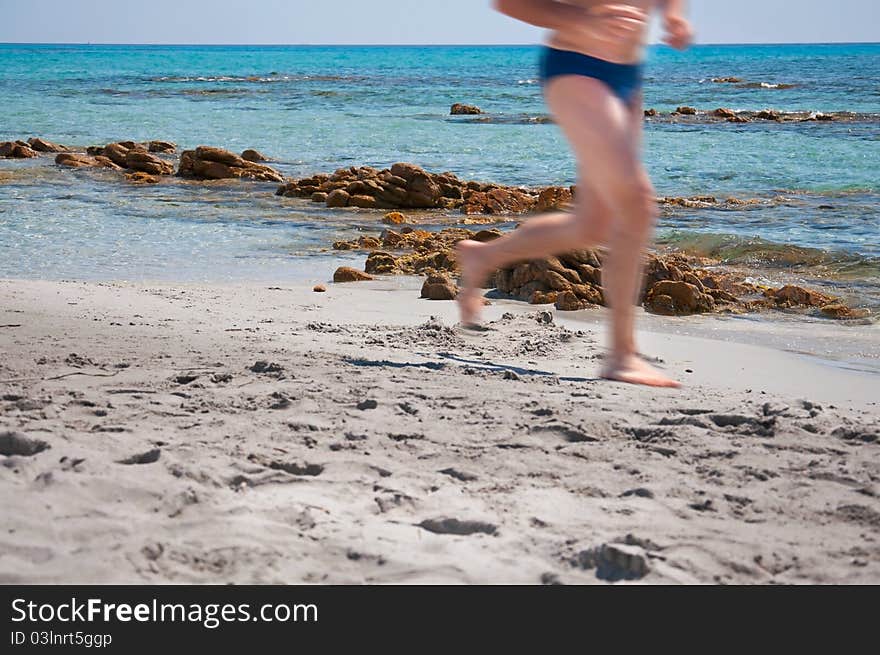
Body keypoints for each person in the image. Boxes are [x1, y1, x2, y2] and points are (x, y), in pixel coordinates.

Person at [456, 1, 693, 388]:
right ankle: (621, 355)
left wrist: (673, 15)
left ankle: (482, 256)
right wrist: (581, 18)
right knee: (637, 205)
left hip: (628, 75)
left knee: (592, 225)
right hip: (579, 68)